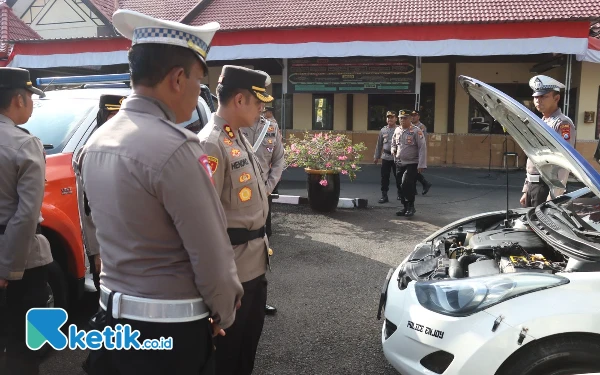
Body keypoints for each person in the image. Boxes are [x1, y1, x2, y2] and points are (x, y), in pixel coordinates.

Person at [76, 9, 244, 375]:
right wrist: (224, 311)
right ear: (178, 78)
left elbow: (92, 230)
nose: (200, 95)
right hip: (168, 335)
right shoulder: (177, 148)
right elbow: (211, 253)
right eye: (200, 84)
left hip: (111, 323)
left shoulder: (98, 140)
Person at [198, 65, 273, 375]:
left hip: (255, 264)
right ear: (239, 100)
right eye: (258, 103)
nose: (262, 109)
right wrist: (218, 293)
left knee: (247, 350)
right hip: (233, 275)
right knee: (227, 359)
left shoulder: (237, 136)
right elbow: (205, 226)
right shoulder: (211, 142)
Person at [0, 67, 53, 375]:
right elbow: (26, 214)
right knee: (25, 351)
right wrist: (9, 267)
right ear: (19, 100)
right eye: (31, 97)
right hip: (21, 263)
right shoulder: (24, 143)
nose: (32, 104)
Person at [240, 94, 284, 317]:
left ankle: (258, 296)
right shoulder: (236, 127)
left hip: (263, 196)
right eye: (257, 102)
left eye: (263, 104)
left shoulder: (271, 128)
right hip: (239, 198)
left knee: (261, 244)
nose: (261, 107)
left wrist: (268, 187)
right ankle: (236, 296)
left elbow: (278, 160)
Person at [79, 94, 127, 293]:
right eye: (112, 115)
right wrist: (96, 252)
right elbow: (87, 209)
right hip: (105, 246)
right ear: (103, 116)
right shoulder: (90, 152)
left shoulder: (132, 148)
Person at [519, 75, 576, 208]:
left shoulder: (563, 123)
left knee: (541, 228)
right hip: (534, 187)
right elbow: (533, 158)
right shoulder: (541, 122)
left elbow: (564, 161)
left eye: (543, 96)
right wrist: (526, 189)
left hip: (547, 189)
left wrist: (554, 195)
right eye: (536, 97)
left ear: (556, 98)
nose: (538, 100)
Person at [391, 109, 427, 217]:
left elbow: (422, 148)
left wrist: (421, 164)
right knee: (399, 186)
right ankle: (405, 207)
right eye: (401, 118)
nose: (402, 120)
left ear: (410, 119)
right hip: (399, 162)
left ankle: (411, 206)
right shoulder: (397, 130)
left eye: (405, 118)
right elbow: (393, 143)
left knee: (406, 183)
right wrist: (393, 150)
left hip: (412, 163)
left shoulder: (416, 131)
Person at [374, 111, 401, 203]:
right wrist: (376, 156)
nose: (390, 119)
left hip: (397, 157)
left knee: (399, 176)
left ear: (396, 119)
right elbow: (379, 144)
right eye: (388, 118)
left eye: (392, 117)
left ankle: (400, 193)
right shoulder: (383, 130)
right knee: (384, 177)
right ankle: (384, 195)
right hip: (385, 157)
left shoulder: (400, 129)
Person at [411, 110, 432, 195]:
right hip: (411, 151)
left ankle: (425, 183)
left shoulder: (421, 127)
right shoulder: (410, 126)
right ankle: (415, 188)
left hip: (418, 151)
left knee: (414, 170)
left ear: (418, 117)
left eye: (415, 115)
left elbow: (421, 141)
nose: (413, 117)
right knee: (412, 170)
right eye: (412, 115)